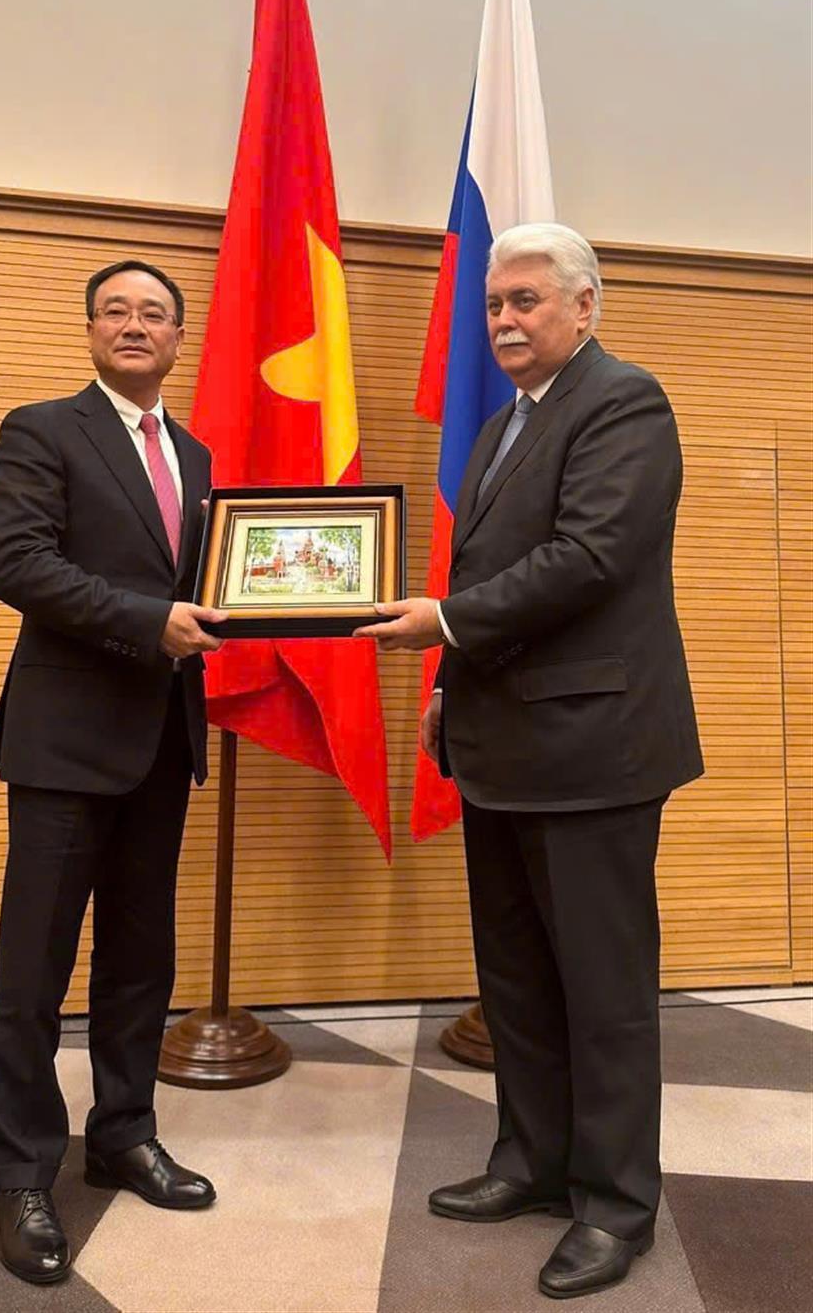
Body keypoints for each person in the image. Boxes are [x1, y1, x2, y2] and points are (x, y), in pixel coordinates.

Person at [356, 222, 703, 1300]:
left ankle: (613, 1204)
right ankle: (533, 1163)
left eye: (525, 301)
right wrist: (452, 690)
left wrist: (445, 627)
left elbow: (588, 558)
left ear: (584, 305)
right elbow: (501, 564)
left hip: (593, 747)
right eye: (494, 304)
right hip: (504, 742)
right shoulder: (508, 421)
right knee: (514, 979)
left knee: (601, 990)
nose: (503, 320)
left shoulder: (623, 401)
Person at [0, 259, 226, 1284]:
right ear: (89, 328)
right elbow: (18, 562)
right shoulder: (43, 429)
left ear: (179, 336)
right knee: (33, 971)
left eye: (155, 313)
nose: (136, 325)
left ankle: (124, 1131)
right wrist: (148, 621)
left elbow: (213, 580)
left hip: (162, 739)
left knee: (140, 960)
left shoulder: (200, 452)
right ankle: (25, 1170)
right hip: (64, 739)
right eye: (117, 310)